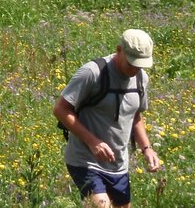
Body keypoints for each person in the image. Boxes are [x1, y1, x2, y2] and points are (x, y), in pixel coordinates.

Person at [53, 29, 162, 208]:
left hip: (119, 165)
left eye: (140, 65)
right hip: (85, 160)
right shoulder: (93, 73)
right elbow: (60, 109)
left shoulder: (141, 79)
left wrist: (147, 149)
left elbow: (135, 116)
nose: (135, 70)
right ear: (119, 50)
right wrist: (93, 142)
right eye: (131, 63)